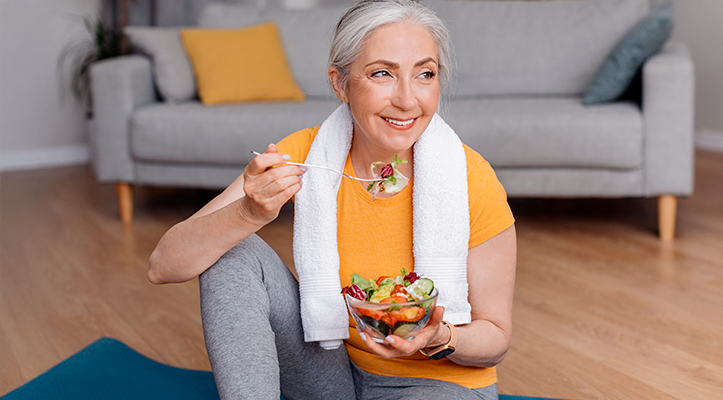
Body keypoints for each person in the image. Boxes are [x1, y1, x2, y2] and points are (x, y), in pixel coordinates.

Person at [148, 0, 516, 398]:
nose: (408, 100)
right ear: (340, 84)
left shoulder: (470, 179)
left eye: (424, 74)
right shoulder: (307, 155)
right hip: (332, 371)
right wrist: (247, 213)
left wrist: (437, 335)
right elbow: (163, 265)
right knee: (232, 251)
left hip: (434, 382)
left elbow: (495, 339)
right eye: (382, 74)